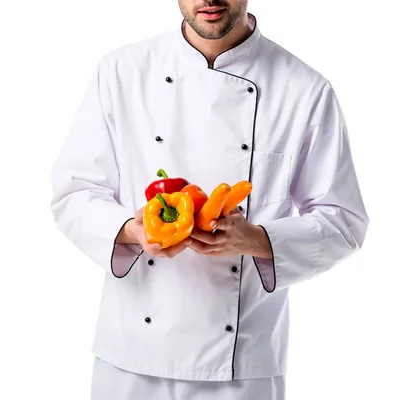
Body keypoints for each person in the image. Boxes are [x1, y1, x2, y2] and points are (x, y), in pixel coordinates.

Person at [49, 0, 369, 399]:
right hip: (130, 356)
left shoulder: (304, 89)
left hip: (241, 364)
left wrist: (253, 239)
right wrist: (135, 232)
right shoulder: (121, 71)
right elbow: (74, 190)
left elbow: (344, 221)